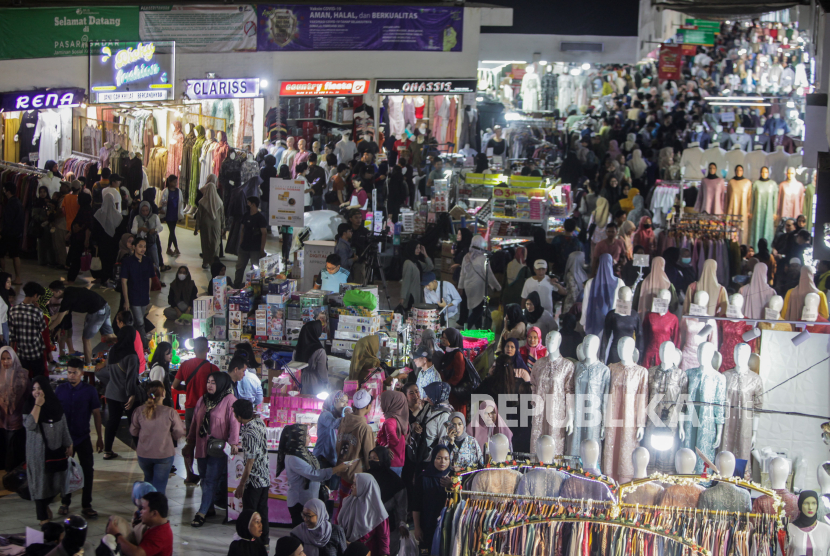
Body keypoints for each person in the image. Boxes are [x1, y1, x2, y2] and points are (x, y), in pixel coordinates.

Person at [186, 371, 239, 527]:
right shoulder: (203, 399)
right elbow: (195, 421)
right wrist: (190, 441)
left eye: (213, 383)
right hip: (202, 445)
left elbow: (235, 423)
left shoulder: (230, 400)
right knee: (203, 478)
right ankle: (209, 509)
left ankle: (201, 512)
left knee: (210, 480)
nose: (209, 385)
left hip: (218, 448)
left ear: (221, 384)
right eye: (208, 382)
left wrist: (233, 442)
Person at [55, 358, 102, 518]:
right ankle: (65, 501)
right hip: (64, 438)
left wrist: (100, 437)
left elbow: (96, 414)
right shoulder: (60, 390)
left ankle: (86, 504)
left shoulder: (89, 391)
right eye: (69, 372)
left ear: (81, 373)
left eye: (75, 373)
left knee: (88, 470)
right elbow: (55, 415)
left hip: (83, 437)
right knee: (65, 471)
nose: (71, 376)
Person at [24, 376, 73, 525]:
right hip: (37, 455)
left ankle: (46, 506)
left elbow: (63, 425)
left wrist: (69, 444)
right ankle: (43, 519)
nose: (36, 392)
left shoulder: (55, 405)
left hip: (55, 452)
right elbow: (30, 425)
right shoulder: (29, 406)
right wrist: (37, 405)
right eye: (34, 389)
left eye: (39, 388)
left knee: (53, 484)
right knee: (39, 485)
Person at [279, 423, 347, 527]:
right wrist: (336, 469)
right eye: (306, 435)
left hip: (308, 500)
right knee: (302, 533)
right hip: (299, 503)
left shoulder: (303, 453)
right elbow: (314, 474)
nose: (309, 437)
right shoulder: (293, 457)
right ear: (297, 438)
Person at [130, 380, 185, 495]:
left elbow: (133, 431)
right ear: (164, 393)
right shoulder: (170, 412)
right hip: (164, 454)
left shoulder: (139, 411)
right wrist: (172, 436)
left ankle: (145, 507)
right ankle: (157, 509)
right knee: (159, 486)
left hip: (144, 454)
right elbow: (179, 431)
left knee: (148, 481)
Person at [94, 326, 140, 460]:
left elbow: (108, 369)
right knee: (134, 423)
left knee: (112, 422)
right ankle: (140, 451)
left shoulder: (113, 350)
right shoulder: (131, 355)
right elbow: (131, 377)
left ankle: (107, 451)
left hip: (112, 392)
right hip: (126, 394)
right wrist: (132, 394)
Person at [232, 399, 271, 548]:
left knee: (251, 515)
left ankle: (252, 543)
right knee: (262, 513)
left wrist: (242, 485)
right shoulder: (259, 421)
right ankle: (264, 542)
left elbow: (250, 462)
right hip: (264, 478)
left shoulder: (248, 432)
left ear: (239, 416)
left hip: (254, 481)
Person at [47, 282, 115, 365]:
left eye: (52, 292)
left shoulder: (66, 299)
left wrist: (46, 329)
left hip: (97, 312)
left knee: (86, 339)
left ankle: (88, 364)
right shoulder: (69, 290)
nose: (51, 295)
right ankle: (124, 351)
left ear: (59, 292)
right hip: (105, 306)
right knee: (110, 336)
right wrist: (47, 319)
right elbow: (61, 314)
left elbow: (58, 320)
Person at [109, 491, 174, 556]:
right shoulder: (158, 526)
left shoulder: (160, 535)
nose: (140, 511)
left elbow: (137, 554)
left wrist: (116, 534)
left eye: (143, 508)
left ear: (154, 513)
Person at [411, 446, 452, 549]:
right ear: (433, 458)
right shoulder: (423, 478)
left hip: (447, 526)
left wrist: (452, 486)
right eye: (439, 458)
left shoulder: (453, 478)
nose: (442, 462)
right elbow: (416, 505)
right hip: (427, 524)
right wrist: (417, 527)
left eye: (446, 458)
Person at [339, 473, 390, 555]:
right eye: (353, 483)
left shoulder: (378, 511)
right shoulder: (347, 502)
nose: (352, 486)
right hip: (348, 551)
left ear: (364, 487)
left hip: (368, 551)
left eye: (355, 484)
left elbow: (383, 537)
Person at [458, 235, 501, 329]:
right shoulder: (483, 259)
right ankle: (466, 328)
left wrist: (460, 286)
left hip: (468, 287)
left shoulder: (466, 257)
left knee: (476, 309)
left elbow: (462, 273)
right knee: (479, 311)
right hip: (478, 289)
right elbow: (489, 275)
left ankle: (478, 330)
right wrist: (498, 287)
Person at [0, 346, 30, 473]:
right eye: (3, 359)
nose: (6, 362)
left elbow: (28, 396)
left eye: (8, 358)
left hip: (16, 418)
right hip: (1, 418)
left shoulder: (22, 374)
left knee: (13, 446)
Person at [9, 282, 47, 377]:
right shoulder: (37, 311)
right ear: (35, 295)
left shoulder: (13, 310)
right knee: (38, 378)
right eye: (38, 297)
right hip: (36, 352)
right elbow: (42, 328)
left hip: (21, 353)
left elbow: (12, 335)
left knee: (23, 379)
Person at [120, 237, 154, 343]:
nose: (143, 249)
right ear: (134, 247)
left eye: (144, 246)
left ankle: (133, 340)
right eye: (140, 246)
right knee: (140, 322)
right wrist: (126, 300)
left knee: (138, 320)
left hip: (144, 296)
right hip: (133, 295)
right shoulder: (127, 262)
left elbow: (150, 279)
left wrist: (148, 295)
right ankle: (144, 345)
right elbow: (124, 281)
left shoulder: (148, 261)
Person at [235, 197, 268, 287]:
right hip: (244, 247)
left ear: (253, 204)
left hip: (255, 249)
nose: (247, 204)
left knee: (254, 269)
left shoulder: (260, 218)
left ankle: (254, 288)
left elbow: (264, 233)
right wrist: (241, 242)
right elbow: (242, 229)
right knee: (239, 267)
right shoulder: (246, 215)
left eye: (248, 203)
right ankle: (236, 286)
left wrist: (262, 249)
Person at [91, 193, 122, 286]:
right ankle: (112, 277)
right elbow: (120, 231)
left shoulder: (98, 214)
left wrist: (94, 241)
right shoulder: (118, 216)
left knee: (103, 260)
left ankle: (103, 278)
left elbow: (94, 230)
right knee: (112, 259)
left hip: (102, 242)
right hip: (113, 243)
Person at [196, 175, 225, 269]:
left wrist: (196, 228)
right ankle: (214, 261)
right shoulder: (219, 202)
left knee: (205, 243)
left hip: (205, 225)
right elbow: (222, 216)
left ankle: (205, 262)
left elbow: (199, 216)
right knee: (216, 243)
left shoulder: (202, 202)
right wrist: (223, 227)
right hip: (217, 225)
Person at [377, 391, 408, 476]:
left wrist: (384, 446)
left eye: (383, 402)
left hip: (391, 461)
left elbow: (393, 441)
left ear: (390, 403)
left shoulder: (389, 422)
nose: (380, 405)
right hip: (400, 461)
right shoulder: (401, 419)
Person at [294, 320, 329, 396]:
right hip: (315, 382)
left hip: (300, 381)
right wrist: (326, 384)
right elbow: (322, 371)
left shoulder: (297, 349)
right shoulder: (319, 351)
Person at [437, 329, 467, 415]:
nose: (443, 340)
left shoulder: (457, 354)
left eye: (446, 338)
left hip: (455, 395)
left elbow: (458, 376)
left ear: (452, 339)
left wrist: (447, 385)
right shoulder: (449, 351)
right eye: (443, 337)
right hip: (448, 392)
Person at [420, 382, 453, 461]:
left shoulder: (445, 415)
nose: (427, 398)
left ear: (438, 395)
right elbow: (420, 420)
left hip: (431, 458)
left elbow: (443, 441)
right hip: (421, 451)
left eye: (430, 395)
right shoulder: (430, 406)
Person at [66, 191, 94, 283]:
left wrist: (86, 239)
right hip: (78, 238)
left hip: (80, 239)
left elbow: (87, 226)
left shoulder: (85, 210)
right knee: (75, 258)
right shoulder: (85, 209)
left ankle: (71, 279)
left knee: (76, 259)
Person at [0, 182, 24, 284]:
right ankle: (17, 277)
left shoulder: (11, 203)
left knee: (0, 254)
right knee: (15, 255)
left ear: (8, 191)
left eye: (4, 190)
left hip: (8, 234)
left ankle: (2, 276)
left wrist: (2, 232)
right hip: (17, 233)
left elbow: (8, 221)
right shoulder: (18, 202)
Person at [400, 242, 433, 310]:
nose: (418, 250)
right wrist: (403, 297)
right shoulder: (408, 263)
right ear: (411, 249)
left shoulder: (416, 262)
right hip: (411, 295)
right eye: (416, 248)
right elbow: (406, 281)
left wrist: (425, 254)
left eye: (419, 248)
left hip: (418, 293)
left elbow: (430, 267)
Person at [131, 201, 163, 271]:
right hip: (140, 243)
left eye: (147, 210)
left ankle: (156, 278)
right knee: (140, 260)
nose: (145, 212)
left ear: (150, 209)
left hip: (152, 242)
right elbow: (133, 230)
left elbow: (160, 227)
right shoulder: (137, 218)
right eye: (143, 211)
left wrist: (154, 230)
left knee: (155, 260)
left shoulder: (155, 217)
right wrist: (140, 229)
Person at [159, 175, 184, 256]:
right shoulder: (165, 191)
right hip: (168, 214)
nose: (175, 183)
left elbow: (180, 203)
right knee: (172, 231)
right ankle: (176, 248)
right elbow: (162, 202)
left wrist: (181, 215)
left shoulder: (178, 191)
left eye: (176, 182)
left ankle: (169, 248)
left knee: (172, 231)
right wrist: (161, 214)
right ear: (169, 182)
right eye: (174, 182)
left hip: (175, 214)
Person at [563, 251, 588, 315]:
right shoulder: (571, 276)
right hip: (572, 308)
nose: (584, 260)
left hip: (580, 306)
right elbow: (574, 294)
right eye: (583, 259)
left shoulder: (582, 272)